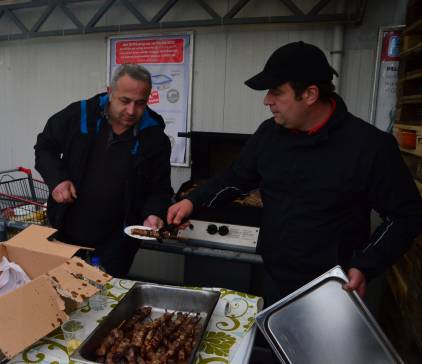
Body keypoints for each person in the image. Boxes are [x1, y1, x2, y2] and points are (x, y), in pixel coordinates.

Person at [167, 41, 422, 302]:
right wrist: (192, 201)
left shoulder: (369, 146)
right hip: (275, 277)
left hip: (334, 286)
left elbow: (406, 216)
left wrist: (366, 264)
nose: (267, 101)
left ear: (310, 94)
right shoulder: (269, 134)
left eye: (276, 92)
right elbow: (235, 178)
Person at [35, 64, 173, 277]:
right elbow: (45, 147)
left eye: (140, 103)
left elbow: (160, 187)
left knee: (105, 296)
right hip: (67, 226)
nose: (131, 111)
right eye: (125, 101)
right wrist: (58, 179)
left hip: (118, 239)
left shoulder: (155, 137)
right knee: (63, 290)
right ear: (110, 92)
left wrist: (153, 213)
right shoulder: (79, 114)